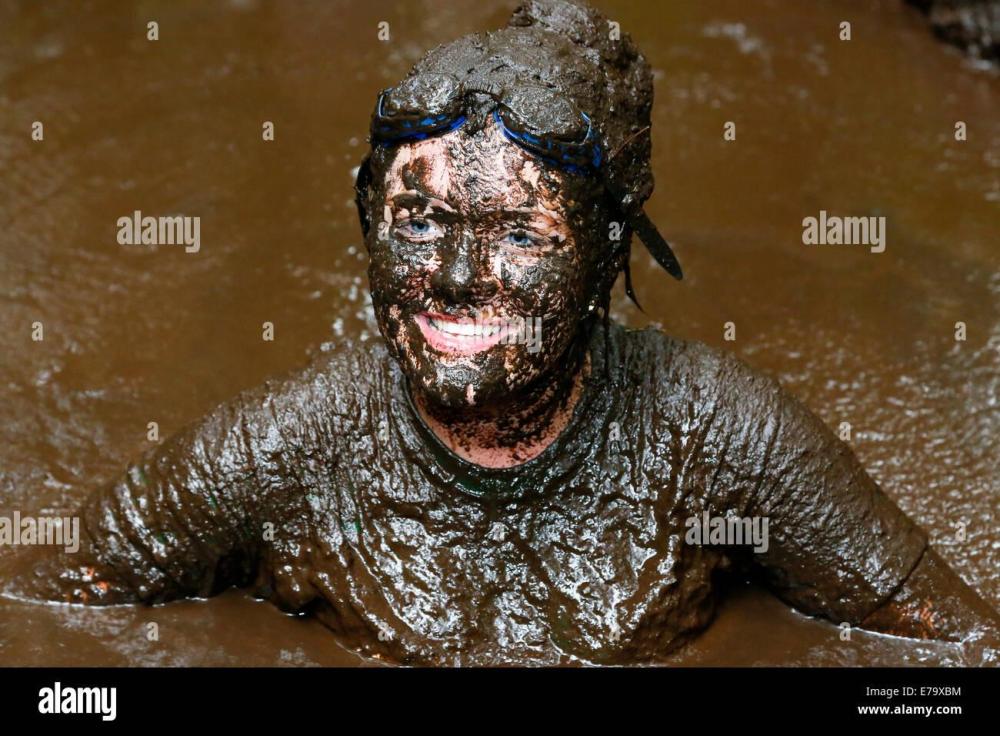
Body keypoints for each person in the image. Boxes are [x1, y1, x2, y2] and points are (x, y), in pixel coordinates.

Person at [5, 0, 999, 666]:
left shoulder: (727, 438)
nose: (454, 281)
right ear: (365, 228)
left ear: (608, 253)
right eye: (419, 222)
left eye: (519, 234)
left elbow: (955, 647)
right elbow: (46, 608)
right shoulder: (282, 450)